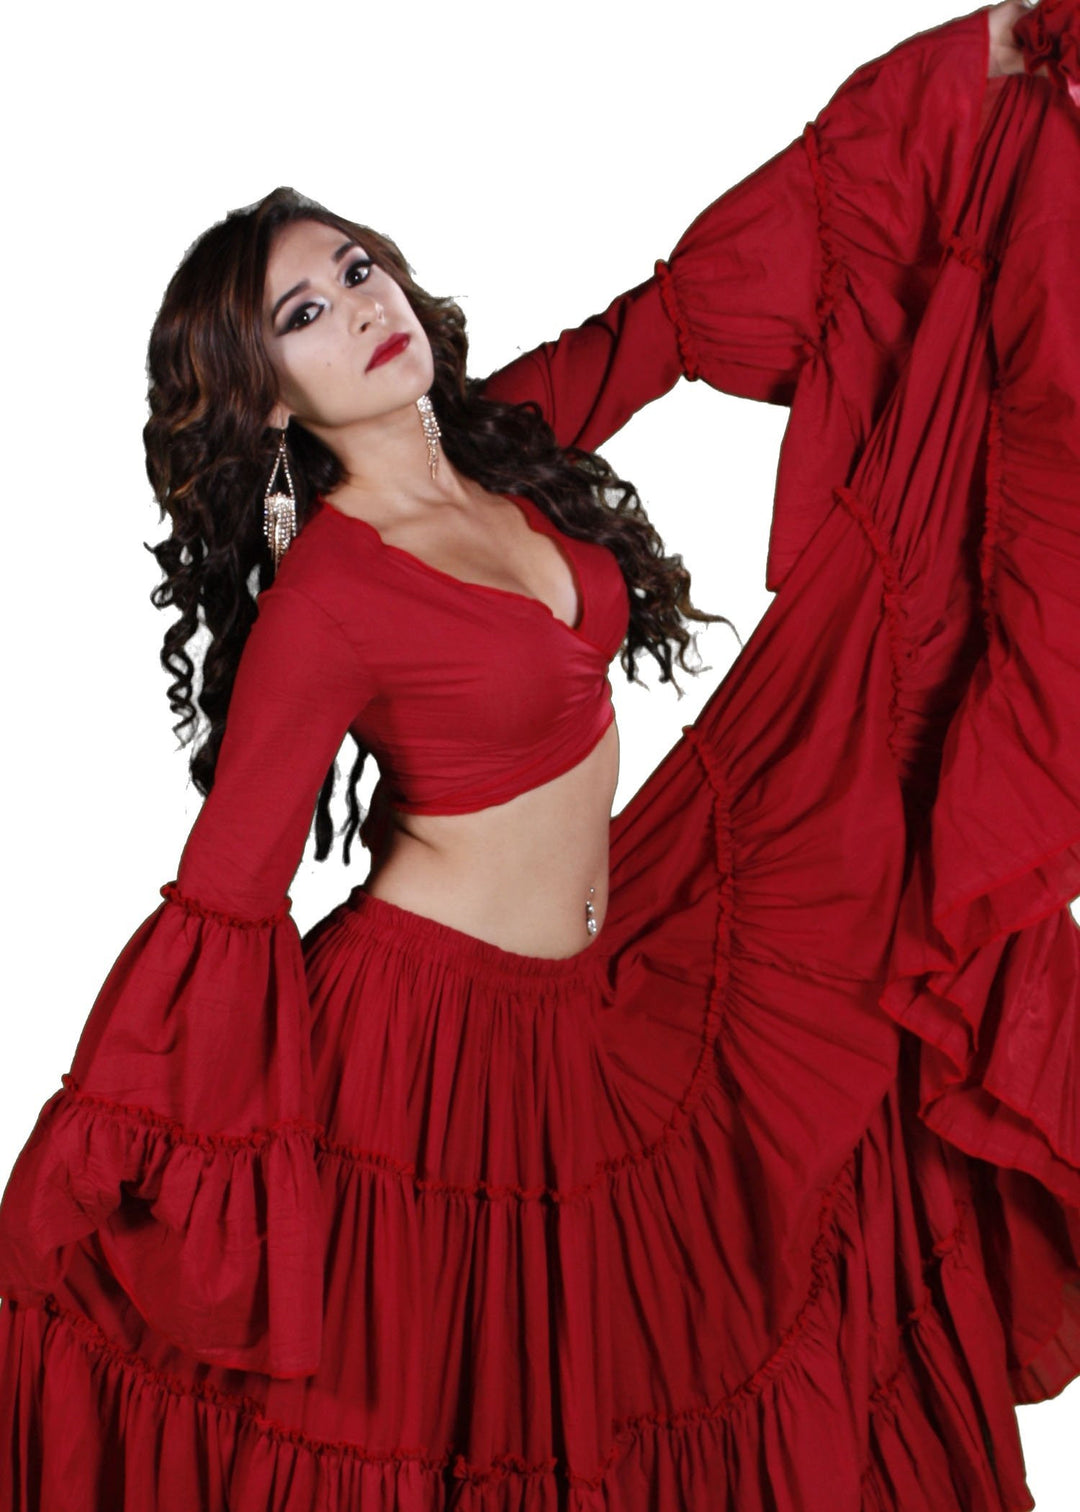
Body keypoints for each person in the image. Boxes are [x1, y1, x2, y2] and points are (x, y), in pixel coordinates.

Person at [0, 2, 1076, 1507]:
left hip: (596, 992)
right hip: (421, 1053)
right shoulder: (328, 595)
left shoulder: (500, 441)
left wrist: (969, 76)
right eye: (302, 316)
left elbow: (670, 323)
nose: (358, 309)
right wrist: (124, 1163)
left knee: (693, 1328)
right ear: (267, 396)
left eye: (354, 268)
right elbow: (228, 892)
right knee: (436, 1434)